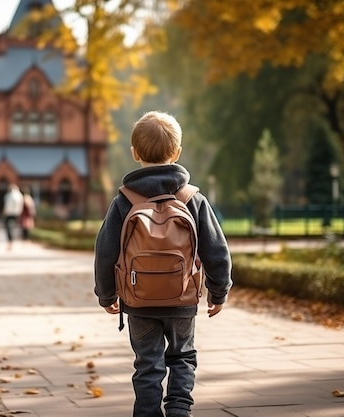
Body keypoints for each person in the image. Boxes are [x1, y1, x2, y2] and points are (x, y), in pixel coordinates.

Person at [93, 111, 232, 417]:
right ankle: (180, 410)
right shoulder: (192, 198)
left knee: (147, 364)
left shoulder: (124, 201)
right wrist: (218, 292)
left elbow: (105, 251)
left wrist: (106, 295)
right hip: (182, 298)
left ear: (135, 153)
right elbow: (216, 250)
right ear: (177, 153)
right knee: (183, 357)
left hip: (138, 300)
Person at [1, 183, 24, 250]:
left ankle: (10, 242)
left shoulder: (9, 195)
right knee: (12, 227)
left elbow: (7, 205)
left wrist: (4, 212)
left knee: (9, 228)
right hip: (16, 213)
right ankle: (11, 241)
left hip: (9, 213)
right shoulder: (20, 196)